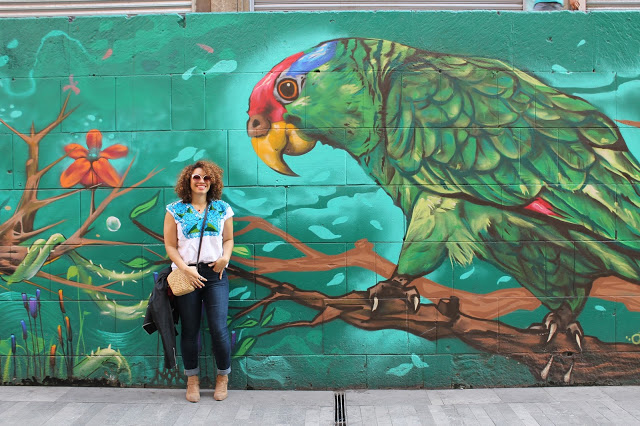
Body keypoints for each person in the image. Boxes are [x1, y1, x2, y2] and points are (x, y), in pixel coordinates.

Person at [164, 160, 234, 403]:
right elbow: (170, 246)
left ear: (213, 181)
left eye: (206, 177)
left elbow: (228, 239)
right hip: (187, 274)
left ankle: (222, 377)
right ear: (188, 180)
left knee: (218, 328)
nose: (201, 181)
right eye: (196, 177)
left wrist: (225, 258)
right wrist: (185, 269)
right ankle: (192, 380)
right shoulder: (175, 210)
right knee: (190, 329)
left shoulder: (222, 208)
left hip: (215, 274)